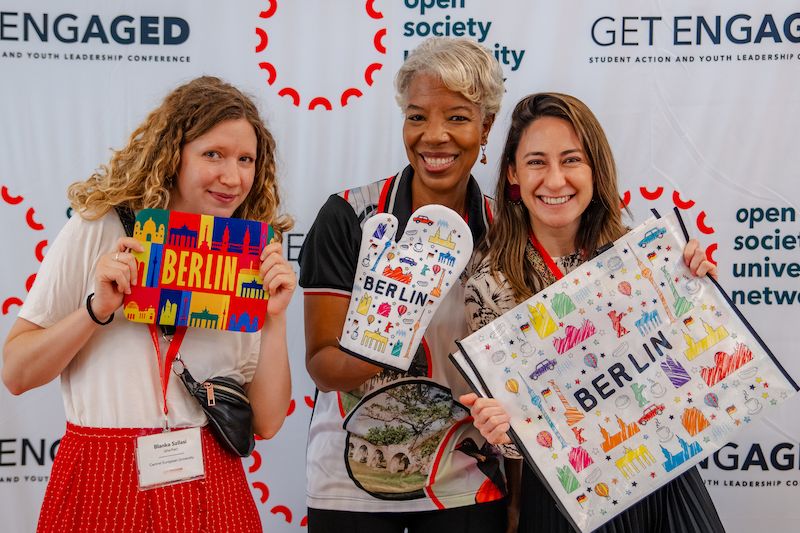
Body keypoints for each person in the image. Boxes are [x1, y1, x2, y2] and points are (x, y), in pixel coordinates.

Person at [1, 76, 296, 533]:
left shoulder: (248, 260)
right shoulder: (99, 229)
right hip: (101, 475)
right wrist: (95, 311)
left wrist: (274, 320)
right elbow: (16, 373)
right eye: (212, 154)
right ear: (172, 154)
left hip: (210, 483)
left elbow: (270, 422)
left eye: (246, 160)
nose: (232, 177)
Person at [460, 93, 726, 533]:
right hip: (570, 499)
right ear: (512, 172)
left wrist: (699, 294)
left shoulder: (643, 253)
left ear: (595, 169)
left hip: (666, 474)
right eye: (536, 162)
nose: (555, 179)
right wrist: (501, 428)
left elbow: (695, 369)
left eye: (571, 160)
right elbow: (518, 438)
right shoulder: (489, 282)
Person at [299, 37, 512, 532]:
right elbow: (322, 366)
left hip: (467, 490)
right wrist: (391, 333)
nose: (433, 136)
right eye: (417, 117)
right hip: (347, 492)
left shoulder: (506, 229)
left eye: (457, 117)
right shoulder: (349, 215)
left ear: (486, 127)